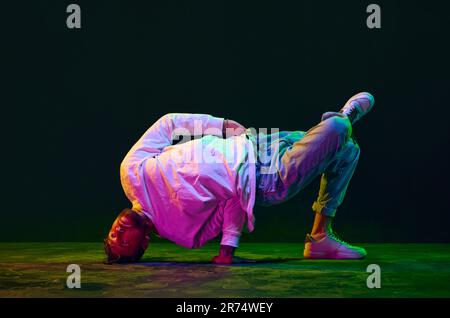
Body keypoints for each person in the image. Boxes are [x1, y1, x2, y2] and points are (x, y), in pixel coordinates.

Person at [104, 92, 375, 264]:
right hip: (264, 180)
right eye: (124, 241)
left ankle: (320, 237)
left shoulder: (130, 172)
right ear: (145, 242)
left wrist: (219, 125)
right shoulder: (182, 233)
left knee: (347, 151)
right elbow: (231, 202)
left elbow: (170, 123)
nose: (119, 231)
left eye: (113, 234)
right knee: (339, 129)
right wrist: (228, 247)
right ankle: (344, 116)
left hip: (255, 143)